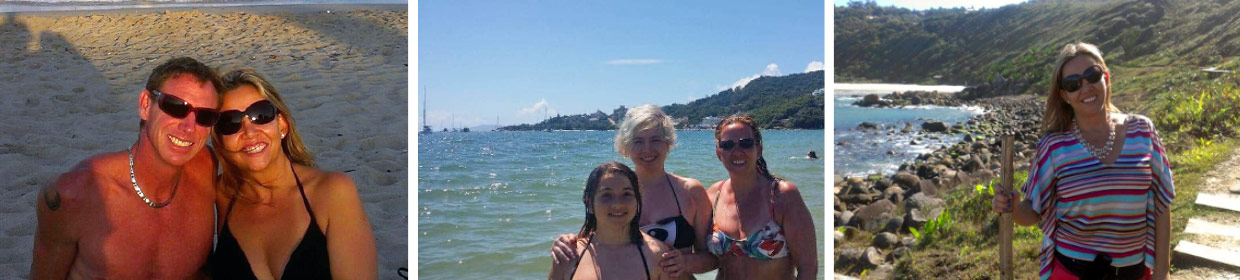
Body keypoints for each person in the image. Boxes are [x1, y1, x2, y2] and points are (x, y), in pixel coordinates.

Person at [991, 42, 1173, 280]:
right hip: (1074, 273)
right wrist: (1012, 207)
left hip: (1135, 273)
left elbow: (1162, 203)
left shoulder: (1142, 130)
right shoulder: (1053, 147)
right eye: (1073, 84)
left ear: (1106, 77)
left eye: (1092, 75)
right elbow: (1032, 212)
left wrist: (1163, 271)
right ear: (1064, 95)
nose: (1085, 87)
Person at [32, 57, 222, 279]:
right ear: (145, 105)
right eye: (176, 107)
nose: (189, 127)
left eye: (205, 116)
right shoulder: (73, 194)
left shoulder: (207, 170)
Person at [208, 69, 377, 279]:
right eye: (230, 123)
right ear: (219, 140)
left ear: (282, 125)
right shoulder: (223, 194)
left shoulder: (333, 192)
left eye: (260, 114)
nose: (250, 132)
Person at [551, 104, 716, 279]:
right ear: (627, 146)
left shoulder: (690, 191)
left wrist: (685, 262)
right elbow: (593, 246)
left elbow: (713, 258)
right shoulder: (618, 194)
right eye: (638, 141)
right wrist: (565, 244)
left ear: (668, 143)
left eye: (655, 140)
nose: (647, 149)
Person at [708, 115, 817, 279]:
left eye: (745, 143)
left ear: (758, 149)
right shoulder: (713, 194)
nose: (737, 151)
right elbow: (701, 256)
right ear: (719, 153)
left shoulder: (782, 195)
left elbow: (807, 268)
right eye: (728, 145)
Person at [549, 162, 672, 280]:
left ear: (637, 200)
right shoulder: (569, 255)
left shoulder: (657, 255)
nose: (617, 204)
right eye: (606, 195)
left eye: (627, 194)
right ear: (589, 203)